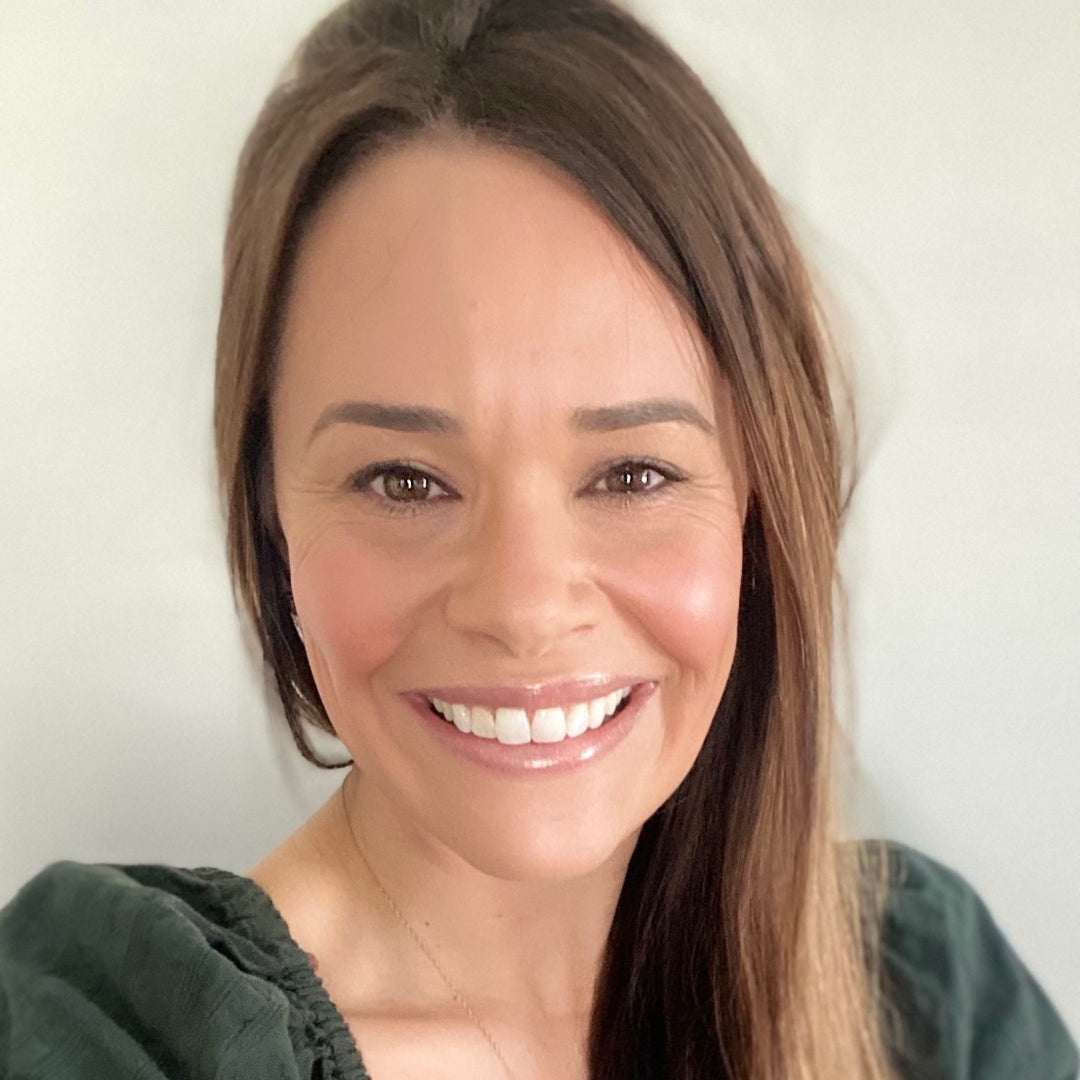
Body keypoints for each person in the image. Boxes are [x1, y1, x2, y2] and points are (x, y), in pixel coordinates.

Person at [0, 1, 1075, 1078]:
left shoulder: (926, 999)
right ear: (270, 511)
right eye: (404, 481)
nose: (522, 609)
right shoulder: (107, 1035)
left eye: (634, 474)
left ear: (759, 503)